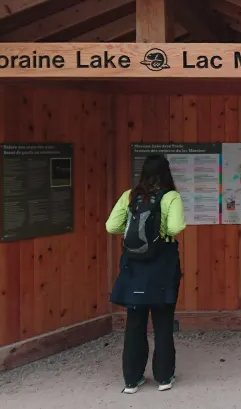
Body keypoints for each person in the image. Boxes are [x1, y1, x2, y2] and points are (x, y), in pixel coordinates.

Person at [106, 155, 187, 394]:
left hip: (134, 265)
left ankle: (132, 380)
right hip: (162, 264)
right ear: (166, 173)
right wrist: (157, 232)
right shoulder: (171, 197)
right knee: (163, 322)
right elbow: (174, 228)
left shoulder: (129, 195)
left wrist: (135, 234)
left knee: (135, 323)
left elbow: (111, 226)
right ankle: (164, 377)